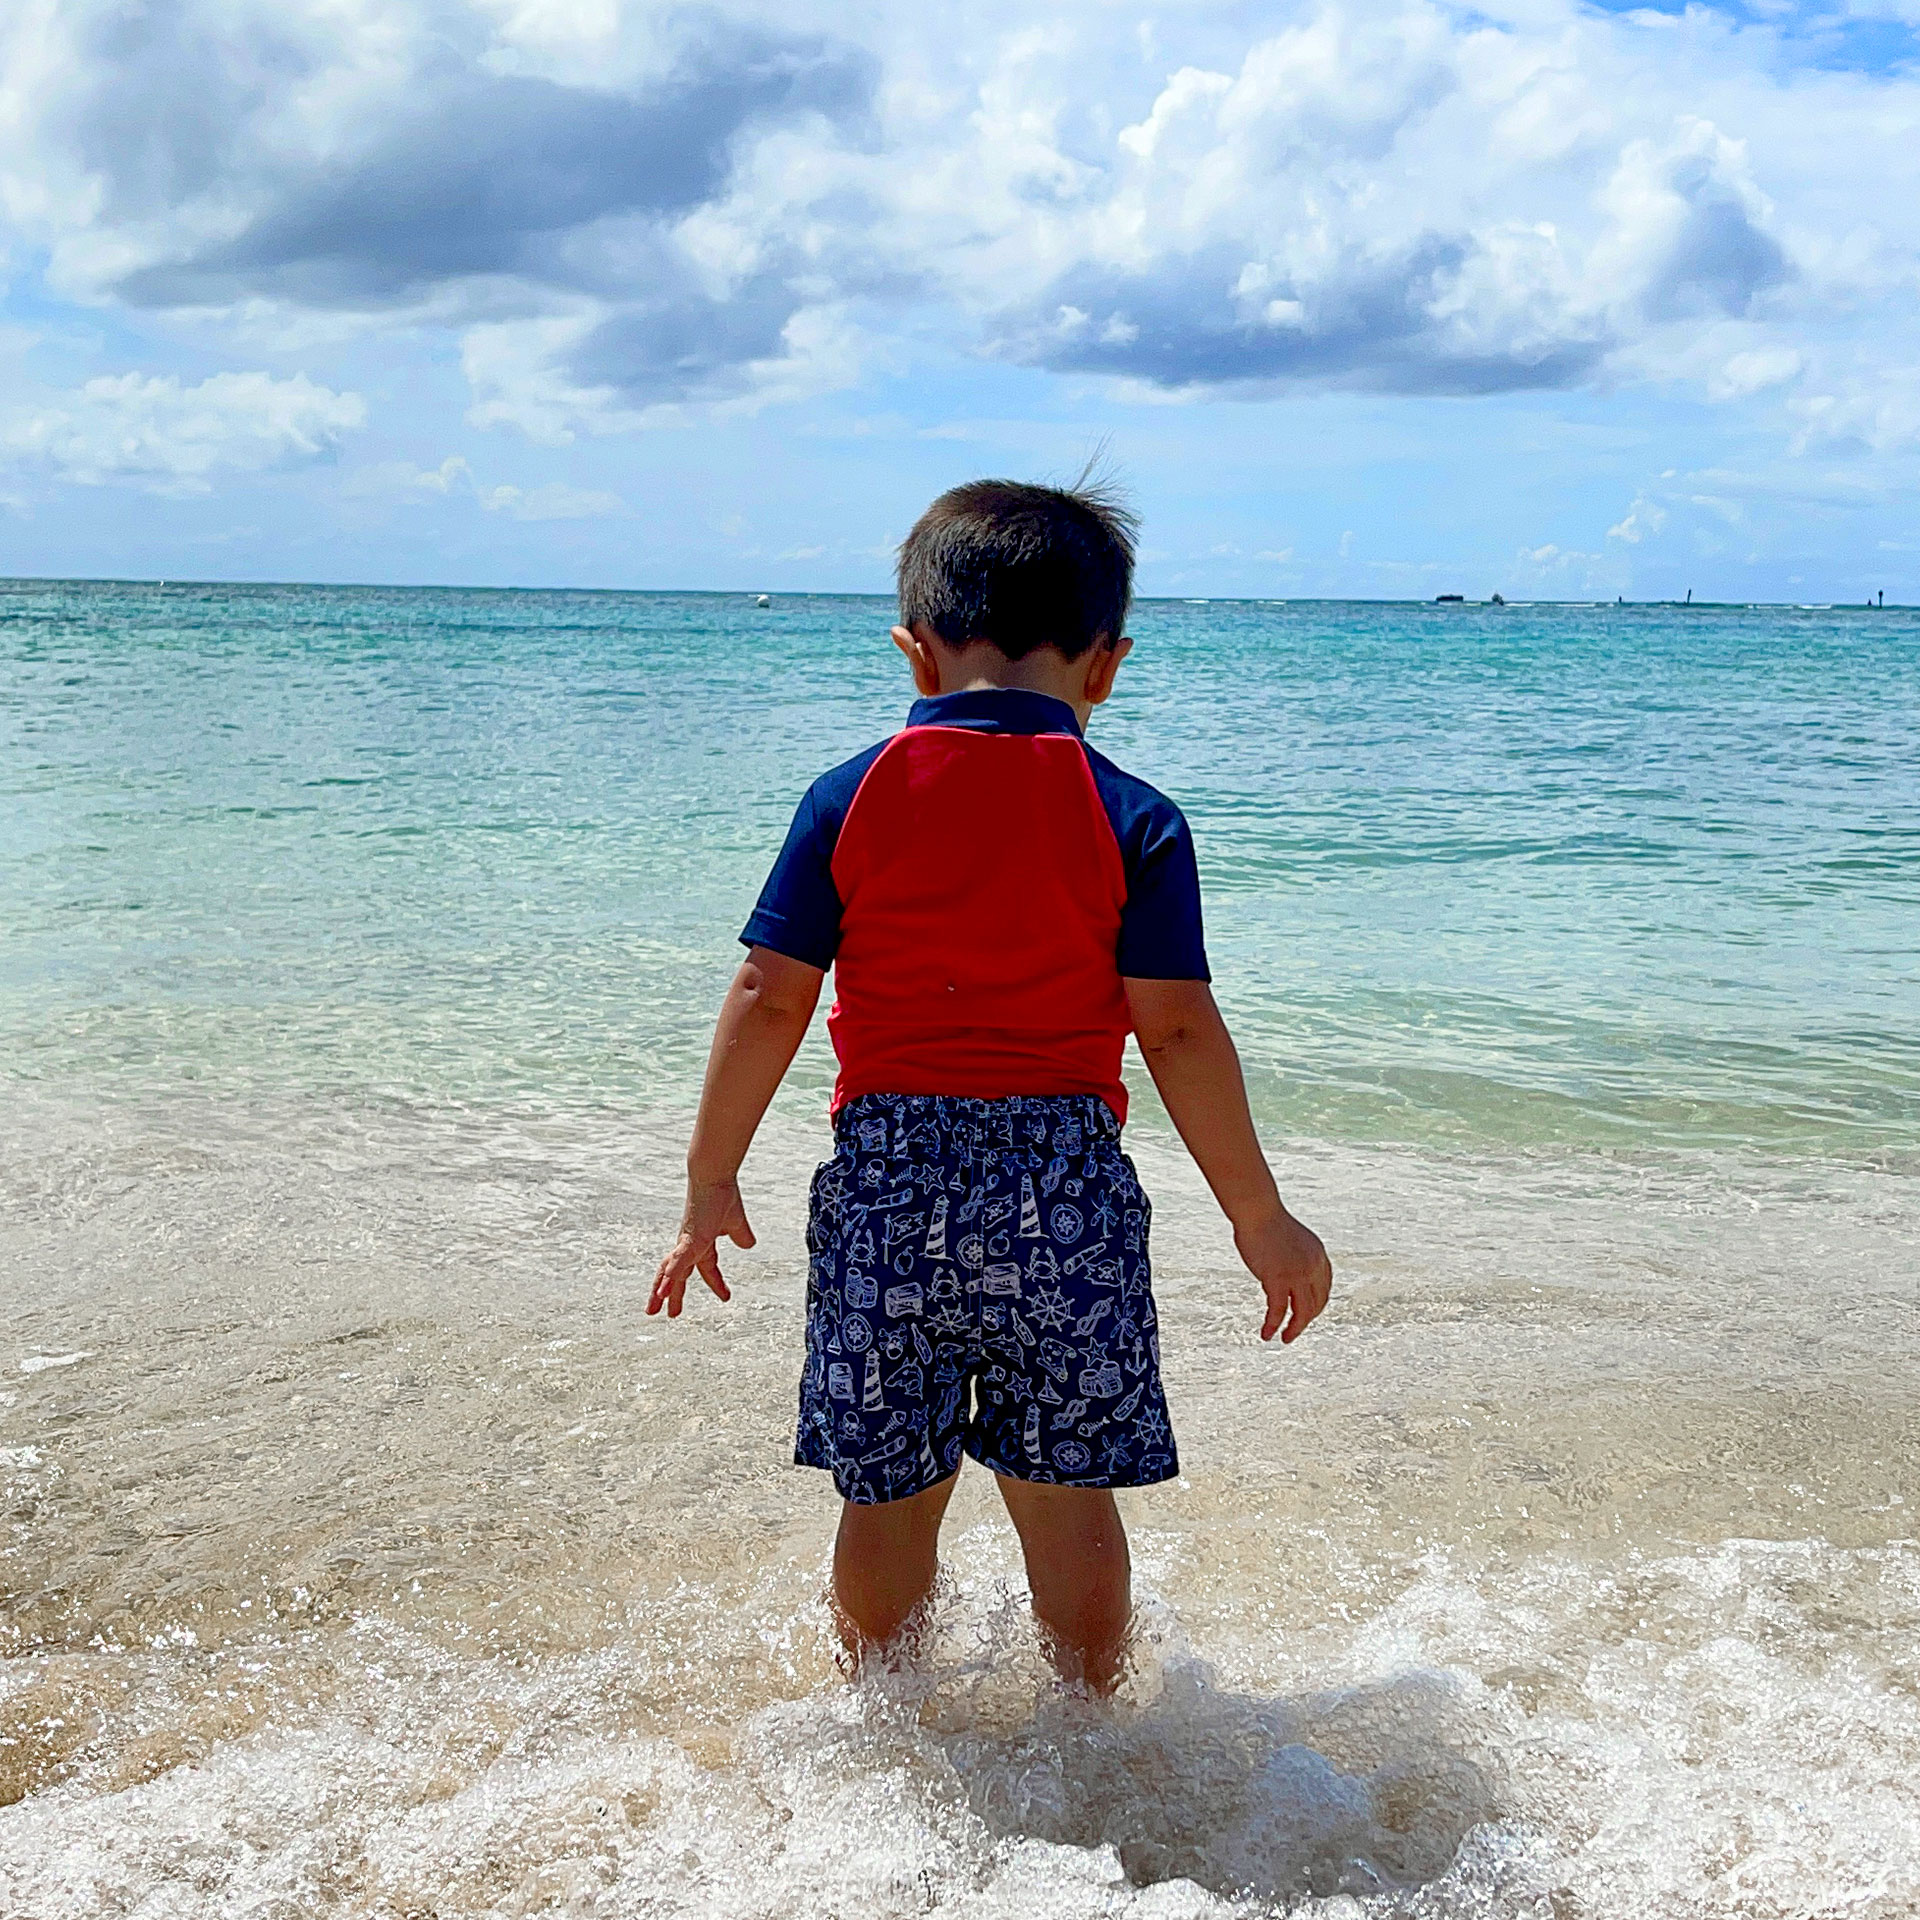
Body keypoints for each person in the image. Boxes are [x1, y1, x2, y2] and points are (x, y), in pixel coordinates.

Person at [649, 478, 1332, 1692]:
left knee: (889, 1494)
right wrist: (1258, 1216)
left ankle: (884, 1716)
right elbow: (1174, 1031)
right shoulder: (1136, 817)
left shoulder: (846, 794)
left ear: (914, 653)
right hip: (1063, 1190)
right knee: (1066, 1494)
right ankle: (1084, 1725)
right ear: (1107, 666)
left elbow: (771, 997)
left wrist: (710, 1181)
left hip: (887, 1190)